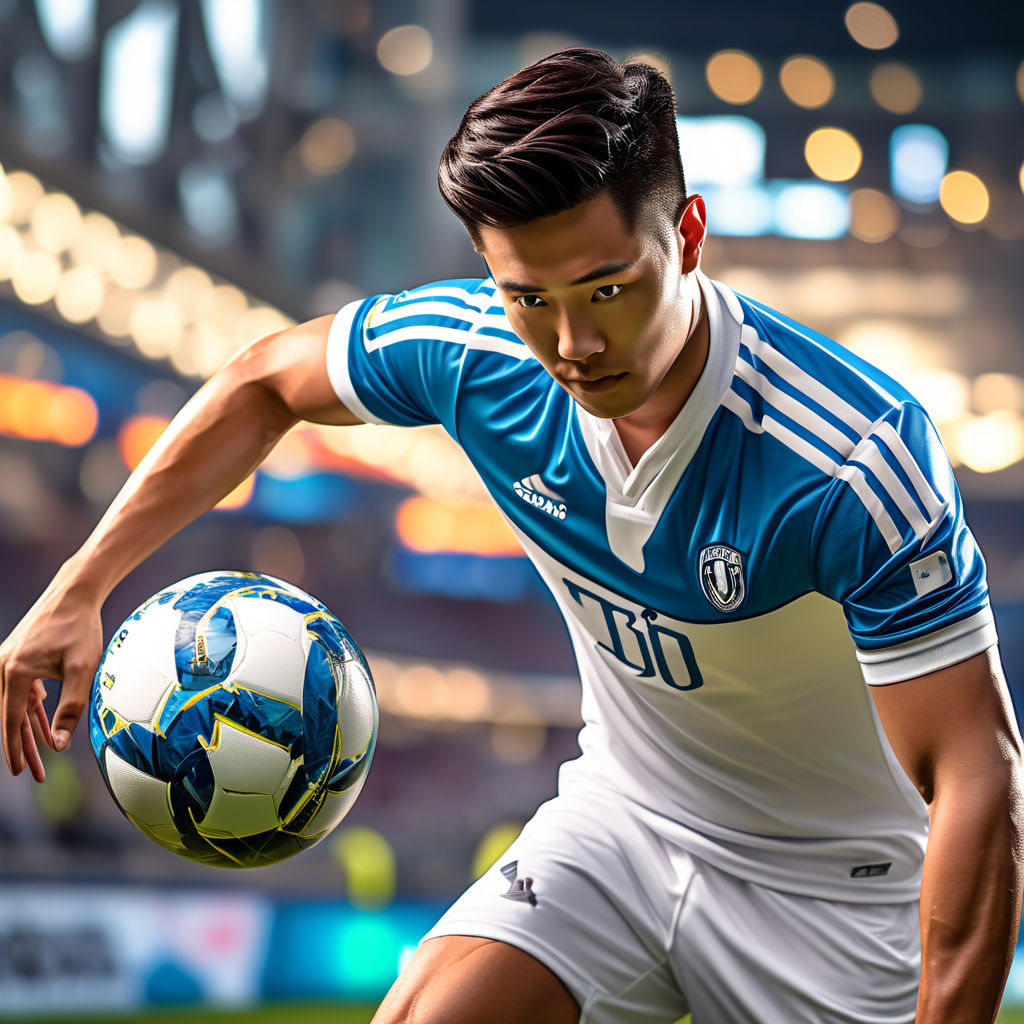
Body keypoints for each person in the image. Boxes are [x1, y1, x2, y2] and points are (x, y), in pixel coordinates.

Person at [0, 46, 1020, 1024]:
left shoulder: (852, 458)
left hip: (831, 892)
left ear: (690, 235)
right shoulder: (474, 354)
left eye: (607, 290)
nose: (572, 344)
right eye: (527, 297)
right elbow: (266, 379)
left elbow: (977, 770)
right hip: (624, 823)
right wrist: (81, 586)